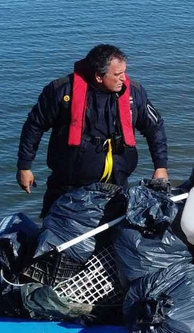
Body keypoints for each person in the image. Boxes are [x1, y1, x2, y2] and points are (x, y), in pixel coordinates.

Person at [17, 44, 169, 217]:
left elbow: (154, 127)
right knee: (55, 234)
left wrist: (160, 167)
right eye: (117, 75)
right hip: (68, 187)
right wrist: (24, 166)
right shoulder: (61, 91)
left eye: (124, 73)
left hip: (117, 185)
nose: (123, 79)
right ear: (98, 76)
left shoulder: (134, 93)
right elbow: (34, 126)